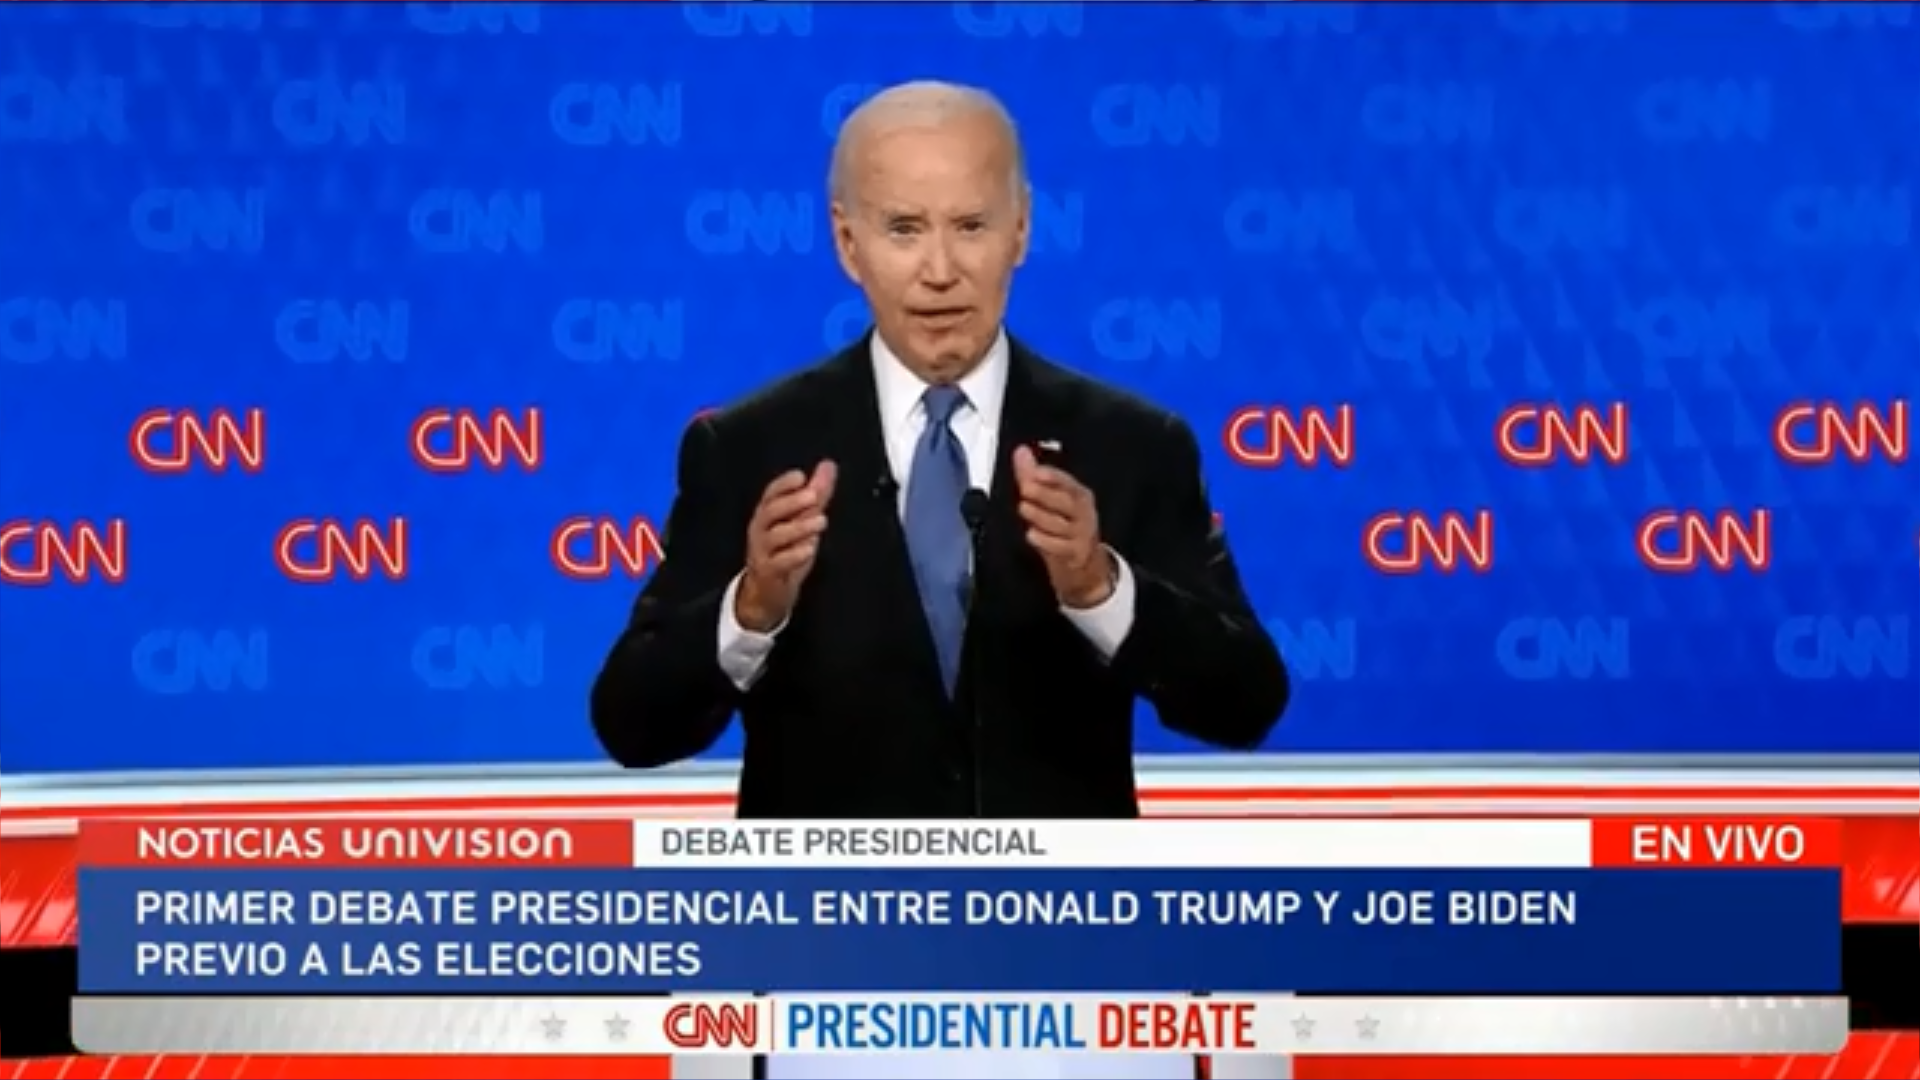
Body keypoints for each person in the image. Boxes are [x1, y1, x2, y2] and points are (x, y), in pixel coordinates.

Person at [591, 82, 1290, 1077]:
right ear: (848, 242)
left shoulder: (1132, 446)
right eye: (904, 228)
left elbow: (1247, 699)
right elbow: (630, 721)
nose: (939, 271)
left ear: (1022, 229)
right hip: (827, 998)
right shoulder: (749, 448)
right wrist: (750, 610)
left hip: (1073, 995)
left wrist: (1102, 590)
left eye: (970, 225)